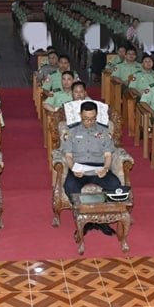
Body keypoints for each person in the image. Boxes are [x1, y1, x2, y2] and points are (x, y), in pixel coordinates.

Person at [61, 101, 121, 236]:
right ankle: (84, 219)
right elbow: (68, 155)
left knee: (114, 185)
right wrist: (73, 168)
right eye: (86, 119)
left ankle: (102, 219)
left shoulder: (103, 131)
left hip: (98, 168)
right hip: (79, 169)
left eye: (92, 119)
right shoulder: (72, 131)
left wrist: (106, 168)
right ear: (80, 115)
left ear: (96, 116)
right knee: (70, 186)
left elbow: (108, 154)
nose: (89, 122)